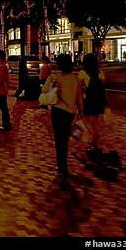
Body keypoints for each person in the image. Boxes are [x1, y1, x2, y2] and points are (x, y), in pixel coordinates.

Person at [42, 53, 83, 181]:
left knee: (58, 138)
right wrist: (81, 111)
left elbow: (44, 90)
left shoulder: (55, 77)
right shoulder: (75, 79)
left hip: (57, 110)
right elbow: (79, 97)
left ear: (59, 64)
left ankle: (61, 165)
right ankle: (63, 165)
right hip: (70, 112)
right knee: (64, 138)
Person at [77, 53, 107, 149]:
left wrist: (79, 102)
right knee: (95, 120)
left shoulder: (82, 73)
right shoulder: (100, 72)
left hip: (88, 99)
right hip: (98, 99)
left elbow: (79, 89)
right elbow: (103, 87)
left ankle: (93, 134)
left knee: (85, 119)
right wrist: (105, 102)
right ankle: (95, 138)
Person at [0, 50, 12, 131]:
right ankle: (1, 123)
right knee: (1, 107)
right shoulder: (1, 65)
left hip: (1, 90)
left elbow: (0, 80)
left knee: (1, 107)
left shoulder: (2, 66)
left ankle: (5, 124)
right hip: (0, 90)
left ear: (0, 56)